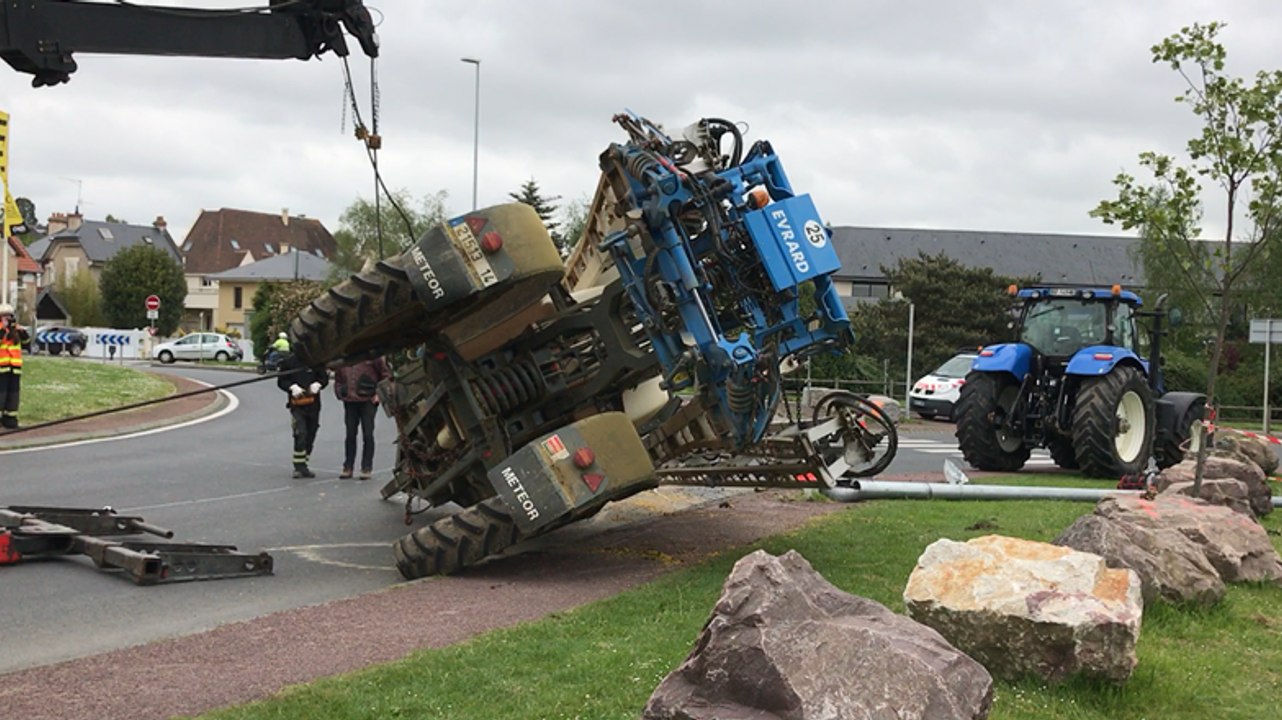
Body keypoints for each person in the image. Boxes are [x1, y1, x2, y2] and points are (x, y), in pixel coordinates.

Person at [333, 356, 390, 479]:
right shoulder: (343, 358)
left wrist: (379, 394)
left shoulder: (373, 356)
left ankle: (366, 467)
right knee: (350, 435)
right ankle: (348, 467)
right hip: (350, 401)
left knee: (368, 434)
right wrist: (340, 392)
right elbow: (338, 379)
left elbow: (385, 375)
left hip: (368, 401)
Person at [275, 349, 328, 478]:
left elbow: (324, 378)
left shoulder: (315, 361)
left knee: (311, 433)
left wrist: (318, 384)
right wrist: (292, 387)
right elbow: (281, 381)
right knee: (300, 433)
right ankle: (298, 467)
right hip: (296, 405)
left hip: (313, 405)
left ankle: (304, 463)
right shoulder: (289, 362)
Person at [0, 304, 29, 430]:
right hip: (1, 368)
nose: (8, 318)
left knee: (13, 396)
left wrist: (23, 334)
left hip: (14, 368)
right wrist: (3, 330)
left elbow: (27, 344)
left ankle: (10, 420)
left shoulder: (16, 329)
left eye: (9, 316)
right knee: (1, 395)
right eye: (5, 316)